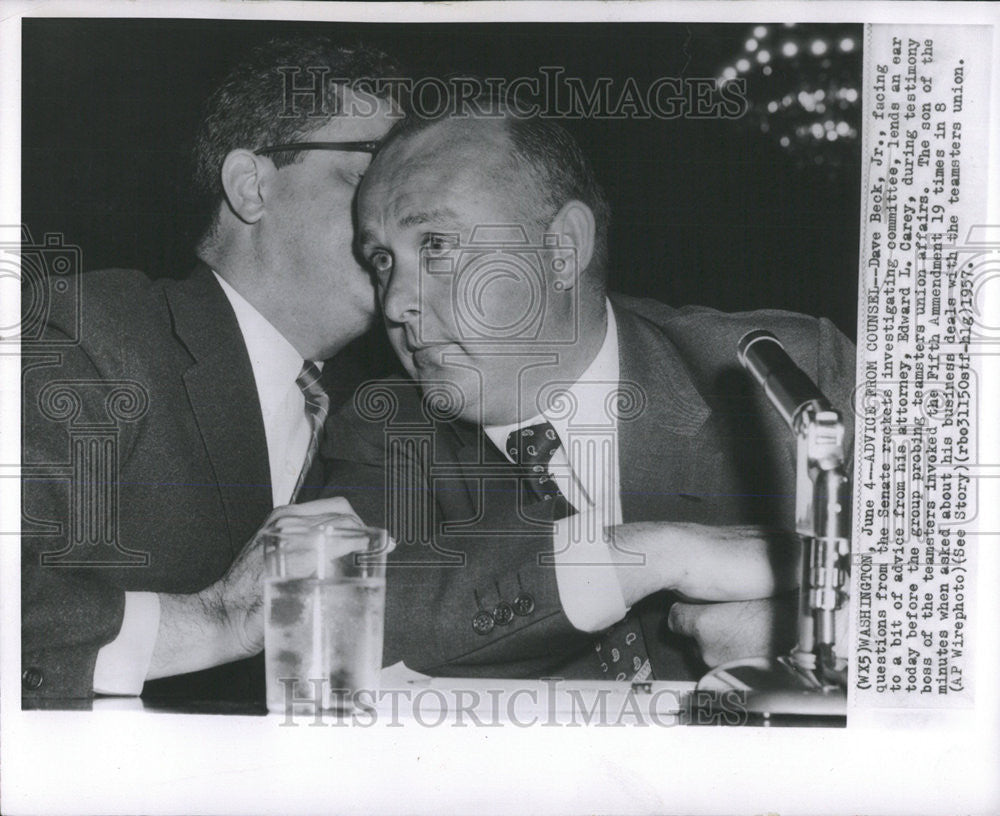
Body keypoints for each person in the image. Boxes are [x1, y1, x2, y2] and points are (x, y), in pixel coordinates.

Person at [319, 109, 857, 681]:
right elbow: (332, 625)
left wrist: (837, 632)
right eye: (382, 260)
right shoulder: (386, 430)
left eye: (436, 246)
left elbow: (949, 591)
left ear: (563, 249)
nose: (396, 303)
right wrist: (648, 554)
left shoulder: (791, 381)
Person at [21, 37, 399, 702]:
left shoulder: (376, 418)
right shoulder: (90, 337)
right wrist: (214, 621)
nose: (398, 215)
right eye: (373, 176)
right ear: (252, 186)